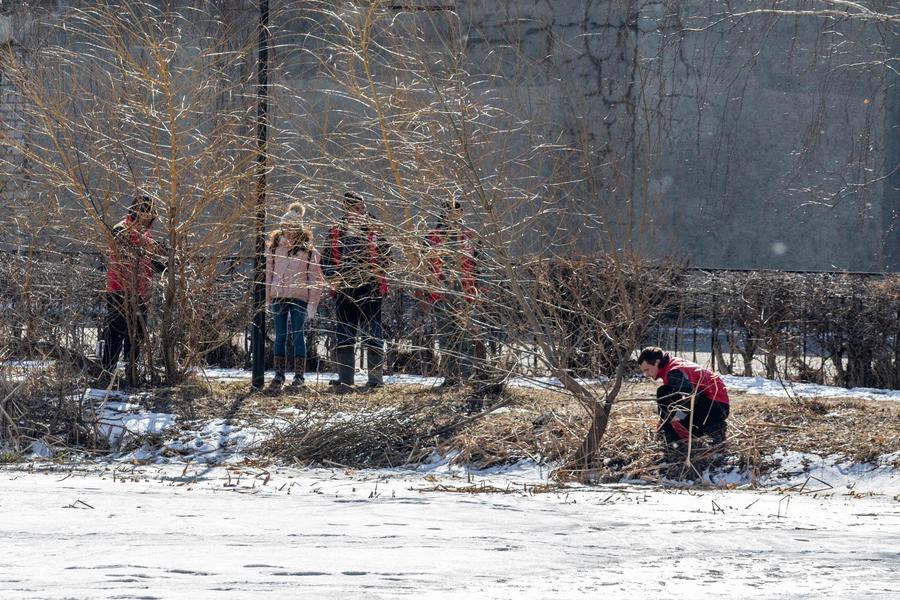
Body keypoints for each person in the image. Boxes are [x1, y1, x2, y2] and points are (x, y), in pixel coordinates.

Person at [321, 191, 391, 392]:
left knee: (373, 333)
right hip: (344, 288)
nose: (361, 211)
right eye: (356, 207)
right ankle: (345, 379)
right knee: (344, 332)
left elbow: (387, 254)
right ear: (347, 208)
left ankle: (375, 379)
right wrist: (331, 276)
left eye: (362, 207)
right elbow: (325, 259)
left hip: (370, 287)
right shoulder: (336, 231)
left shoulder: (374, 229)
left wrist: (379, 270)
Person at [100, 195, 165, 387]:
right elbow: (127, 251)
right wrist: (146, 246)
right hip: (119, 290)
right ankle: (107, 373)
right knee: (116, 332)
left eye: (150, 214)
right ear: (136, 212)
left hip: (141, 293)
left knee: (136, 335)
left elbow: (154, 263)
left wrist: (166, 262)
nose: (147, 218)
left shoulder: (148, 236)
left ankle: (132, 373)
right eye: (144, 213)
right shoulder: (121, 228)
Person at [265, 202, 324, 392]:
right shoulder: (274, 249)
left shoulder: (309, 251)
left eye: (292, 227)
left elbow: (316, 279)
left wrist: (312, 305)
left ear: (298, 228)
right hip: (278, 296)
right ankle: (279, 375)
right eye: (285, 227)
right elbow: (268, 274)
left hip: (299, 297)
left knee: (299, 336)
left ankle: (299, 376)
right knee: (280, 336)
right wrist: (268, 298)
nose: (288, 231)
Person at [422, 198, 478, 390]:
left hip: (465, 292)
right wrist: (428, 289)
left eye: (459, 212)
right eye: (453, 212)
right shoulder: (433, 236)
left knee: (463, 337)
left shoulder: (468, 236)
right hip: (442, 292)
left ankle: (467, 376)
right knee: (446, 337)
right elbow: (425, 266)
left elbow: (477, 264)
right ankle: (450, 377)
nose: (457, 216)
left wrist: (478, 290)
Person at [637, 346, 730, 458]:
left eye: (647, 370)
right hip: (715, 404)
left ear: (657, 362)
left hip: (715, 406)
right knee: (666, 392)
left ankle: (673, 436)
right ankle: (673, 434)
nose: (646, 375)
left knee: (665, 394)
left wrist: (677, 418)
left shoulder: (673, 372)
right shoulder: (671, 365)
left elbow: (691, 396)